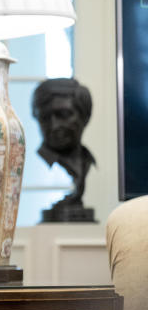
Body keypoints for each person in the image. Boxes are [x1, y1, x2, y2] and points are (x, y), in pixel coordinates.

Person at [32, 78, 95, 212]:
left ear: (85, 116)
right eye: (45, 117)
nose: (54, 126)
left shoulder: (86, 161)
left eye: (64, 115)